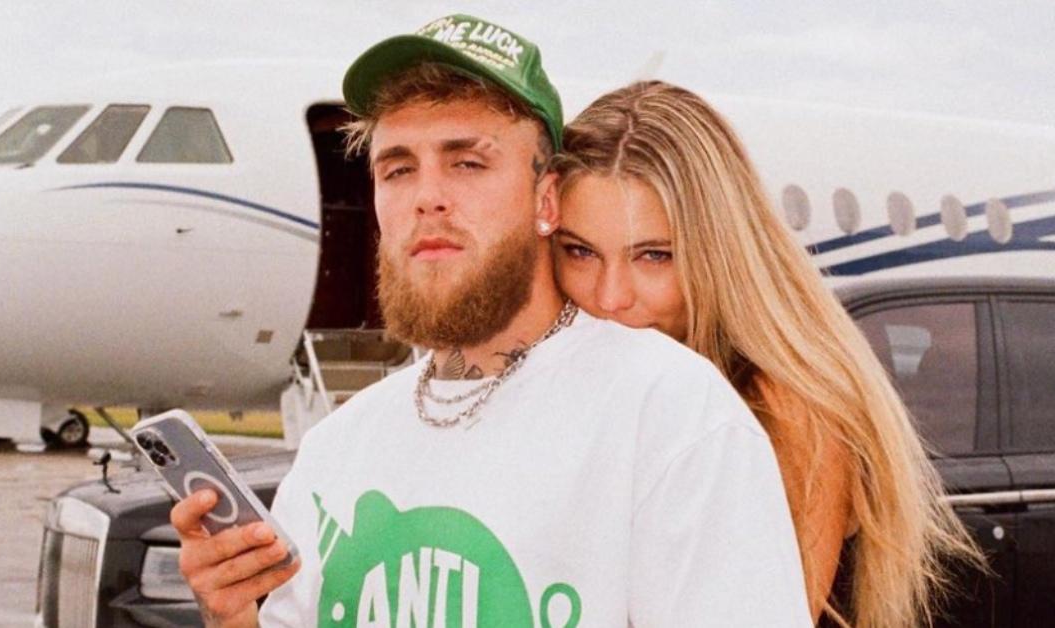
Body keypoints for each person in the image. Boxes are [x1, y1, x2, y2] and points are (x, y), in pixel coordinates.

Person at [170, 15, 811, 627]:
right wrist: (230, 616)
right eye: (398, 169)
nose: (427, 196)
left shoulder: (670, 415)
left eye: (467, 162)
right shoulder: (335, 450)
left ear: (547, 197)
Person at [550, 80, 985, 627]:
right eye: (580, 251)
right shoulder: (605, 384)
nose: (610, 298)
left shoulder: (782, 408)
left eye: (655, 256)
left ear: (720, 254)